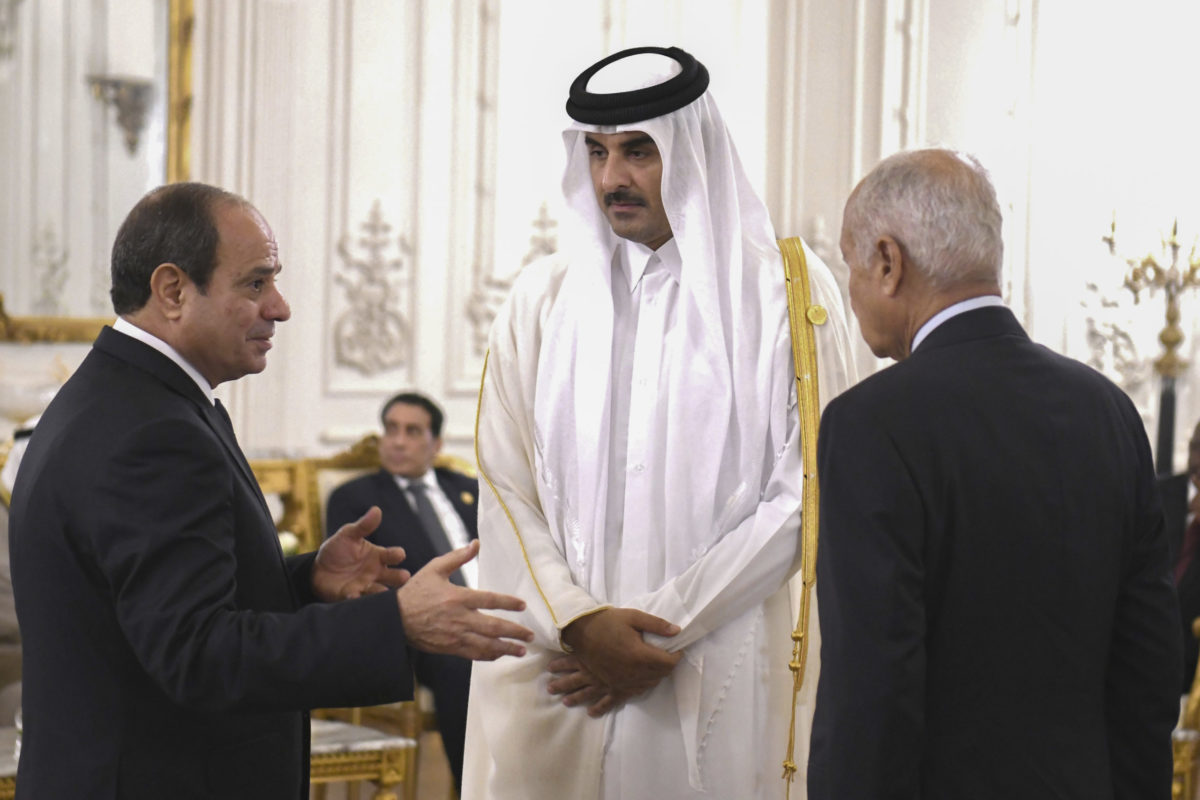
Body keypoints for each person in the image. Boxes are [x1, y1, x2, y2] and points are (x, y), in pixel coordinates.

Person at [7, 182, 533, 799]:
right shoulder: (154, 432)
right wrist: (394, 622)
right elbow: (199, 656)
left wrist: (304, 581)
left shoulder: (122, 395)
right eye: (255, 283)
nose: (279, 308)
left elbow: (148, 604)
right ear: (173, 290)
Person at [462, 46, 855, 799]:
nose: (612, 177)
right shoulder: (541, 301)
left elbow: (806, 488)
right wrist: (579, 623)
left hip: (717, 660)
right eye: (597, 152)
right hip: (565, 669)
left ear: (691, 149)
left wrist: (657, 629)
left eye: (638, 151)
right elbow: (505, 484)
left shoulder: (785, 294)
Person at [808, 148, 1181, 799]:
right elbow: (1147, 674)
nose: (851, 289)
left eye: (850, 264)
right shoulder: (1109, 412)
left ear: (889, 262)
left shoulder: (870, 424)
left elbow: (871, 695)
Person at [326, 391, 478, 791]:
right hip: (419, 624)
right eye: (391, 429)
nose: (397, 441)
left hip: (492, 610)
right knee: (462, 662)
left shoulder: (469, 490)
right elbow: (353, 582)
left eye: (412, 431)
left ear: (436, 444)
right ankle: (475, 788)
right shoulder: (356, 499)